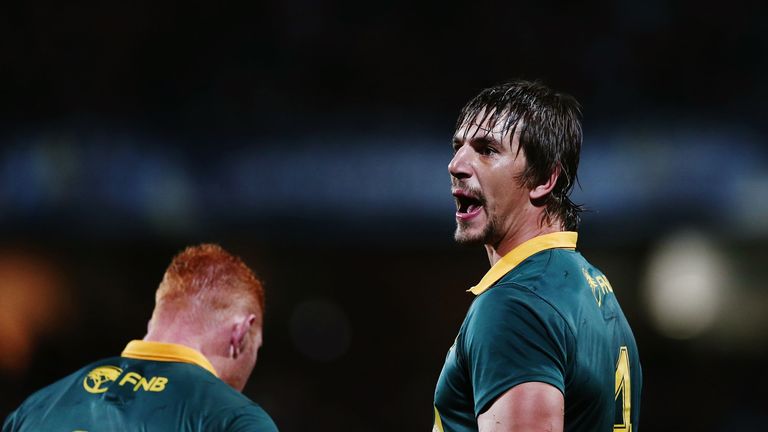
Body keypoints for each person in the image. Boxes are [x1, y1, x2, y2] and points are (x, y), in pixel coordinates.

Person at [433, 80, 641, 432]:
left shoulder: (516, 306)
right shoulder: (592, 286)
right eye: (458, 146)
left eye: (486, 149)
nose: (456, 164)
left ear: (544, 178)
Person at [3, 244, 278, 432]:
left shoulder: (34, 409)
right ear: (241, 332)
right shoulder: (233, 418)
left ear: (154, 320)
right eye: (256, 347)